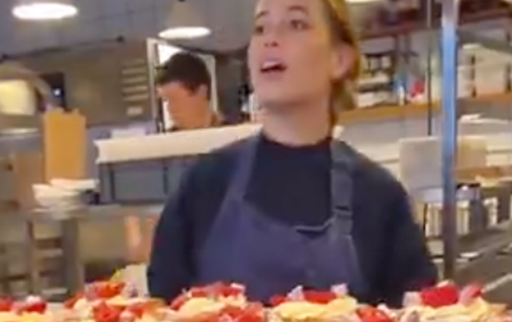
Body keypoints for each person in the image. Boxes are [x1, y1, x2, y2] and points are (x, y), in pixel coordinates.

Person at [148, 0, 434, 304]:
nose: (270, 38)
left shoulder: (379, 196)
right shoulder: (205, 183)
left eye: (296, 23)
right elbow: (160, 315)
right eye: (260, 28)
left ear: (339, 59)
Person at [157, 51, 222, 131]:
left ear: (202, 92)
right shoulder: (165, 141)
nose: (170, 108)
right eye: (166, 100)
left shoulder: (234, 135)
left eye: (175, 99)